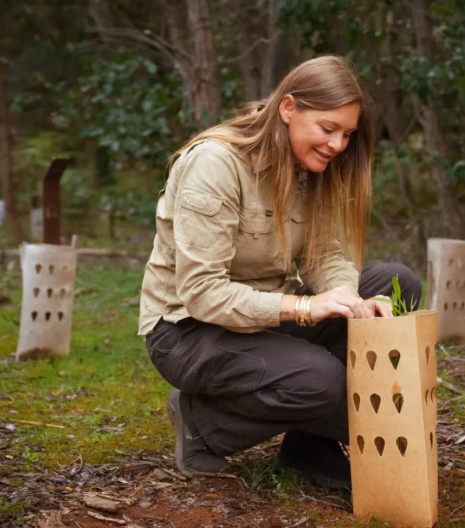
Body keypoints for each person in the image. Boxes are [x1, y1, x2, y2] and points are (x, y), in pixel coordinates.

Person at [138, 55, 421, 489]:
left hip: (267, 312)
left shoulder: (310, 166)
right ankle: (204, 425)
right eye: (328, 129)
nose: (338, 145)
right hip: (188, 329)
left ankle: (308, 446)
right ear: (288, 109)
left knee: (396, 283)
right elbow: (201, 293)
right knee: (322, 380)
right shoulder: (215, 163)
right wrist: (308, 307)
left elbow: (324, 256)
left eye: (346, 134)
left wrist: (349, 300)